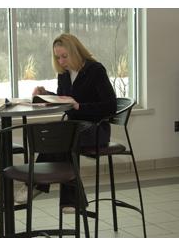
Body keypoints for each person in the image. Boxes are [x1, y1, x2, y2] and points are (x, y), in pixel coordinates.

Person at [15, 33, 117, 208]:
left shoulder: (95, 70)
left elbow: (110, 106)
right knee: (61, 137)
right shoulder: (64, 74)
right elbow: (64, 99)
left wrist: (80, 107)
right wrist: (45, 94)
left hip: (96, 128)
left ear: (75, 52)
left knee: (62, 138)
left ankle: (35, 184)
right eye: (57, 57)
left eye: (64, 56)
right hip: (73, 128)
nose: (61, 61)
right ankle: (71, 201)